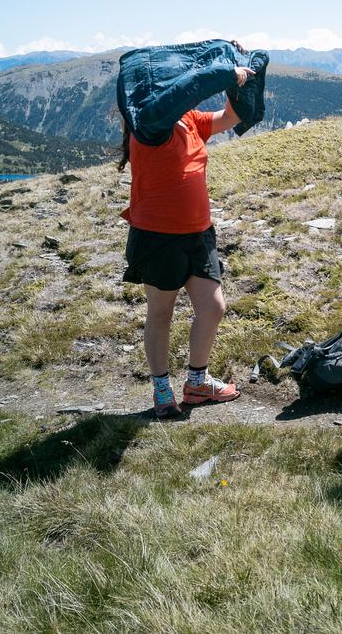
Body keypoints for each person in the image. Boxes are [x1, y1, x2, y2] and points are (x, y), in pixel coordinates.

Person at [118, 65, 254, 419]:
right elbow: (184, 93)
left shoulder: (190, 119)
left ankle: (197, 383)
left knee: (213, 307)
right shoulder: (148, 126)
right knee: (161, 314)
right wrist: (223, 71)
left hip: (198, 233)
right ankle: (162, 391)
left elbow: (231, 117)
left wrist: (236, 78)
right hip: (158, 236)